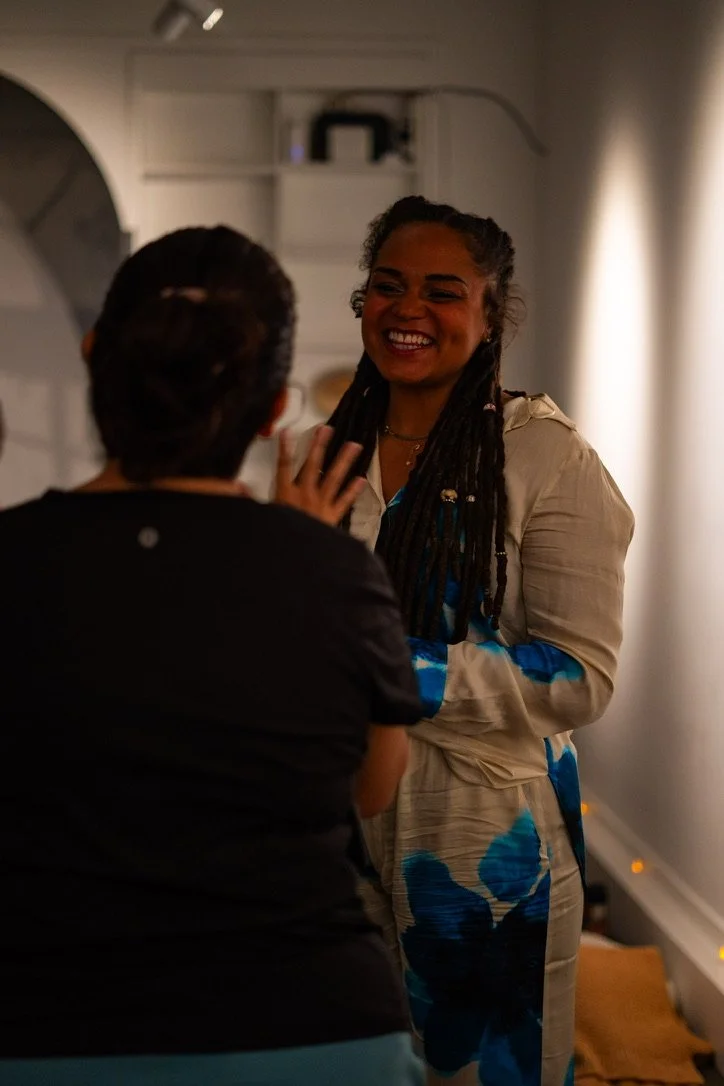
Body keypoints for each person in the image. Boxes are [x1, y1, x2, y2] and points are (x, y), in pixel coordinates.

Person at [0, 225, 425, 1085]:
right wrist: (302, 562)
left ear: (95, 359)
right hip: (316, 1033)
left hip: (47, 1028)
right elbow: (373, 788)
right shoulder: (335, 575)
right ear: (272, 412)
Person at [315, 195, 635, 1086]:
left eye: (443, 291)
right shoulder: (319, 455)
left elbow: (580, 675)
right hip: (334, 818)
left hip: (486, 835)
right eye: (389, 286)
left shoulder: (547, 459)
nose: (409, 309)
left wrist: (392, 671)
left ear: (492, 315)